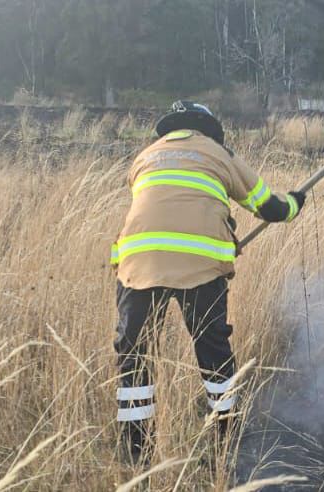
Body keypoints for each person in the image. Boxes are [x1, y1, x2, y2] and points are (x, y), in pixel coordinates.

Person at [110, 101, 305, 464]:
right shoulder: (218, 153)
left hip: (137, 264)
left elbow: (157, 208)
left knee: (134, 355)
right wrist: (294, 203)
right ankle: (225, 439)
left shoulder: (145, 157)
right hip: (199, 265)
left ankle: (136, 453)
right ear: (207, 128)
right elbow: (268, 208)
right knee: (212, 350)